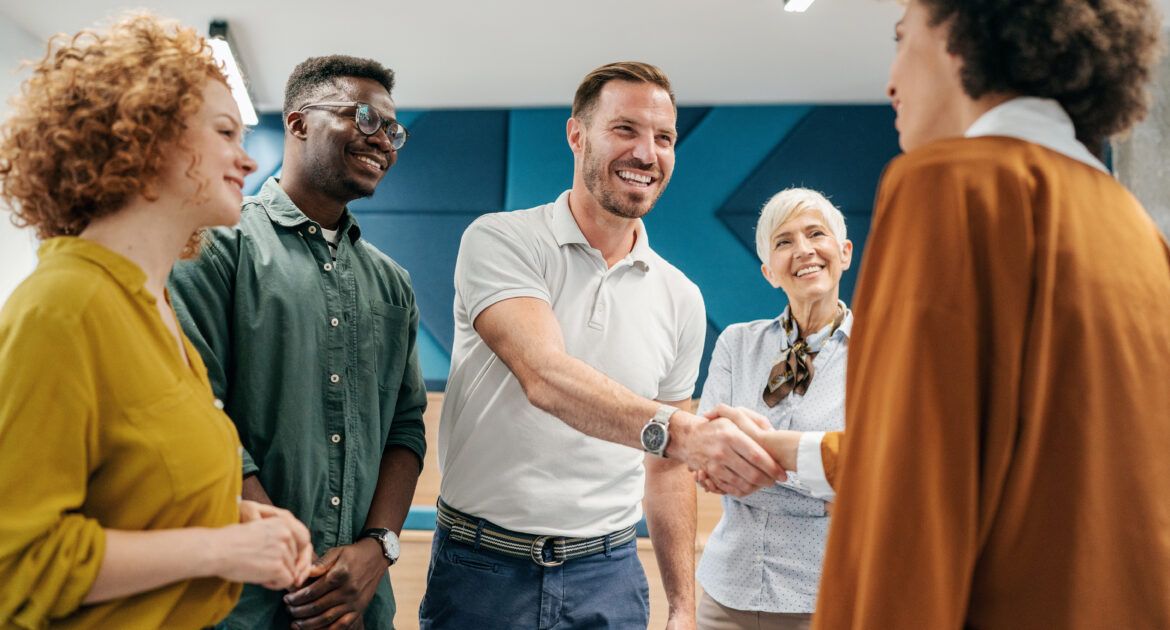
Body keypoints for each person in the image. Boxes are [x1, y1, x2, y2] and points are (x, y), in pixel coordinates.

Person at [808, 1, 1170, 628]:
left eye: (902, 38)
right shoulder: (1140, 234)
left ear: (958, 30)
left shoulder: (951, 186)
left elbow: (905, 506)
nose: (891, 79)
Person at [419, 61, 784, 629]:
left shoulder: (681, 297)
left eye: (664, 138)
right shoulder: (501, 240)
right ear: (576, 134)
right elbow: (545, 374)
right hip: (481, 570)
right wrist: (686, 433)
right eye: (625, 129)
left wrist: (683, 606)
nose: (647, 152)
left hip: (607, 578)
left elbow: (664, 471)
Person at [0, 13, 313, 629]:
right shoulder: (65, 306)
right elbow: (17, 564)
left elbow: (129, 497)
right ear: (143, 139)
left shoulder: (154, 310)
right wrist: (221, 548)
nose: (248, 162)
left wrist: (234, 520)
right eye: (225, 132)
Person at [168, 55, 427, 630]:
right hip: (240, 603)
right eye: (362, 117)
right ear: (298, 122)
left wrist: (376, 551)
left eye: (391, 128)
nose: (381, 139)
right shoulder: (213, 245)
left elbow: (406, 427)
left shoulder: (393, 282)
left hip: (357, 604)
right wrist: (304, 571)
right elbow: (193, 413)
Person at [693, 188, 851, 630]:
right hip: (727, 592)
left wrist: (755, 454)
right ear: (768, 271)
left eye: (815, 234)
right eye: (783, 242)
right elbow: (708, 462)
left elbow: (874, 474)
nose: (802, 250)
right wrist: (821, 482)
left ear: (844, 252)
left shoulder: (883, 351)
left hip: (826, 596)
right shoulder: (736, 342)